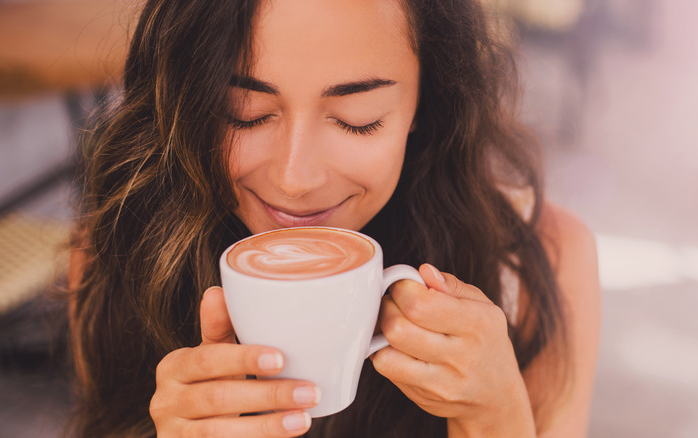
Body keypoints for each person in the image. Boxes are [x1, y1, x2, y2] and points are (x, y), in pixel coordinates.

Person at [67, 0, 601, 437]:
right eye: (243, 114)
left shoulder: (540, 265)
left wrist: (495, 417)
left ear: (425, 104)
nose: (295, 179)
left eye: (357, 121)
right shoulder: (119, 248)